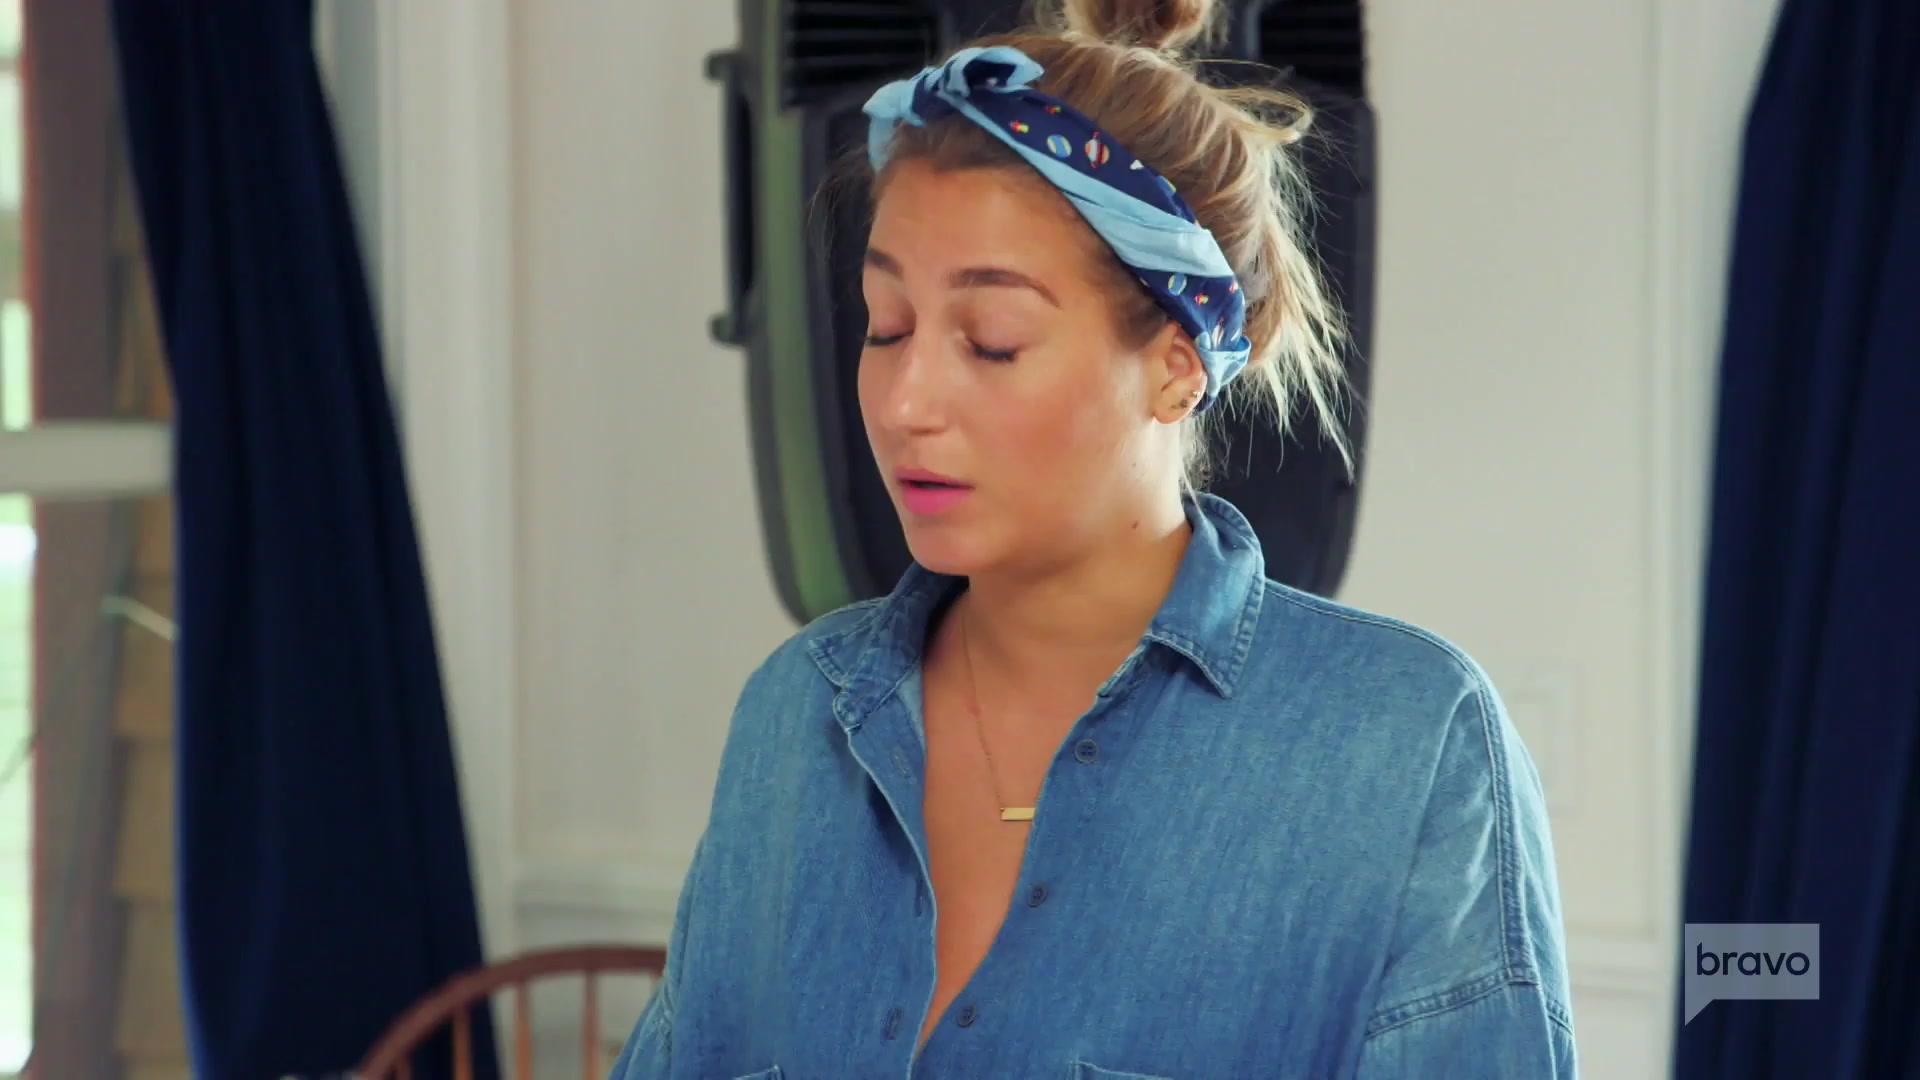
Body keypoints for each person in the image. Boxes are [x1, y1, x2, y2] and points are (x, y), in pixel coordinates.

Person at [612, 0, 1575, 1075]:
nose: (904, 401)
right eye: (887, 327)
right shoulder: (792, 720)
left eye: (993, 341)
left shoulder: (1409, 751)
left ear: (1175, 365)